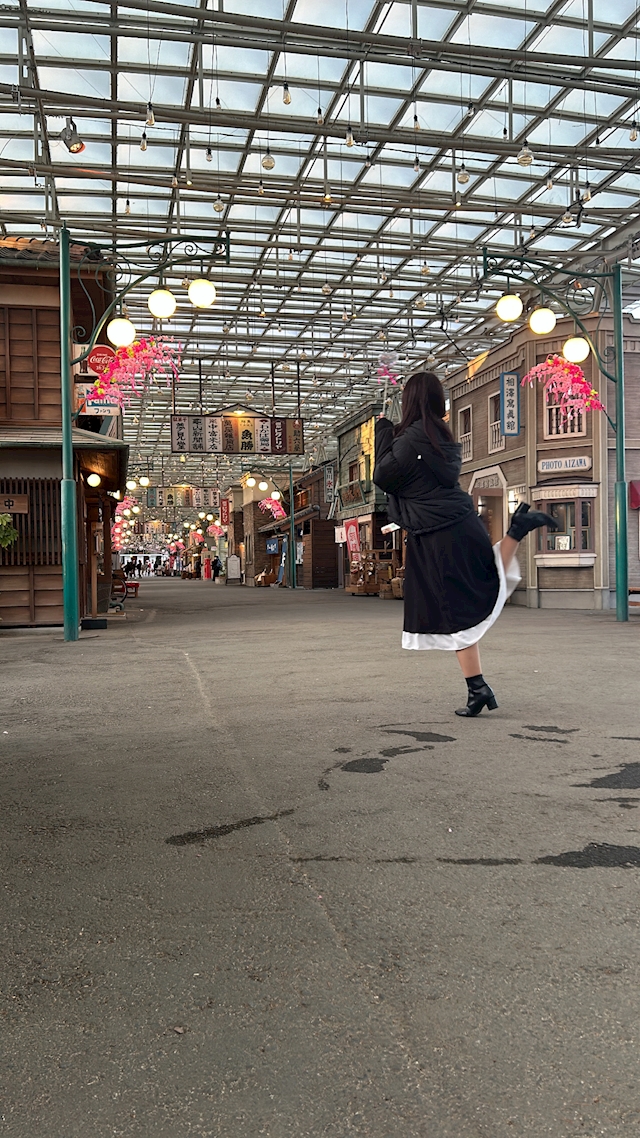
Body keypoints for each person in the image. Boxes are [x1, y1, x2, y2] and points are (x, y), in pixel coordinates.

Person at [373, 371, 558, 717]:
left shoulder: (409, 440)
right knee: (477, 586)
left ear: (409, 401)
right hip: (461, 521)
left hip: (436, 534)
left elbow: (382, 475)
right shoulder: (441, 438)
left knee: (454, 610)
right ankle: (477, 688)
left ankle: (478, 688)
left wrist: (382, 430)